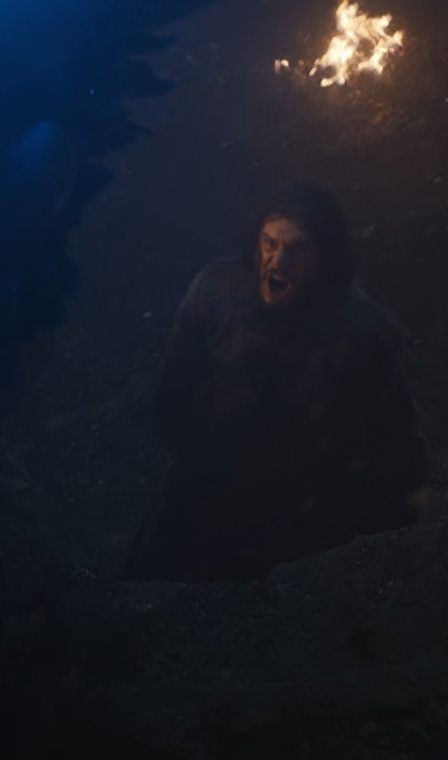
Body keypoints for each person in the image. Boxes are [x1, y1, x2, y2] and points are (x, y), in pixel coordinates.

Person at [126, 183, 427, 581]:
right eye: (270, 243)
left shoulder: (365, 336)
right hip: (210, 487)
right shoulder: (216, 291)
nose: (278, 261)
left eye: (297, 250)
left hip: (301, 517)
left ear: (326, 258)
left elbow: (398, 455)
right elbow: (173, 392)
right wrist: (198, 456)